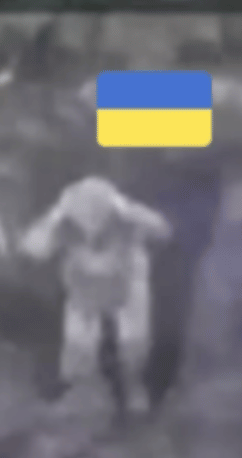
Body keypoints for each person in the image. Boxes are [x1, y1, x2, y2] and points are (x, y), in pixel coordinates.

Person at [19, 175, 172, 413]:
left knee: (134, 341)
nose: (91, 224)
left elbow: (163, 230)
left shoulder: (127, 220)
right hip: (84, 291)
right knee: (78, 345)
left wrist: (129, 209)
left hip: (126, 288)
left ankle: (134, 388)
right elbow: (32, 249)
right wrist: (54, 216)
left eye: (97, 214)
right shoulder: (64, 225)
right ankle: (79, 394)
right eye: (84, 215)